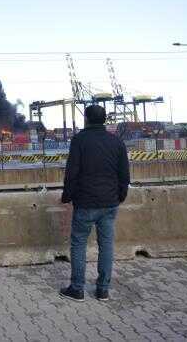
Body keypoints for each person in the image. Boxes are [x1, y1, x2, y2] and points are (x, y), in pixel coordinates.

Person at [59, 105, 130, 302]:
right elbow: (124, 174)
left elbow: (72, 172)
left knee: (79, 244)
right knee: (106, 245)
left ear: (87, 120)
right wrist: (120, 196)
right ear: (104, 120)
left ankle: (77, 289)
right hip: (109, 203)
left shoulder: (79, 140)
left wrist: (67, 196)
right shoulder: (116, 142)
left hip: (85, 202)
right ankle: (102, 290)